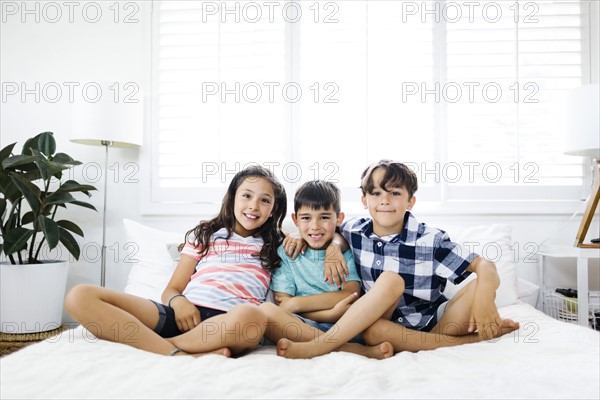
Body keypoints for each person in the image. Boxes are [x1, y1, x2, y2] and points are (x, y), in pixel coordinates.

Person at [277, 159, 520, 359]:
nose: (384, 200)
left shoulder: (430, 240)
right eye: (376, 193)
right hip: (383, 326)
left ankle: (322, 345)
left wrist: (484, 301)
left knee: (476, 284)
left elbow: (484, 265)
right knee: (380, 311)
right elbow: (324, 231)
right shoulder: (354, 231)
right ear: (364, 200)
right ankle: (467, 341)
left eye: (394, 193)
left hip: (437, 322)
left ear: (410, 201)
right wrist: (325, 245)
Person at [65, 165, 287, 357]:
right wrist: (179, 302)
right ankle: (181, 354)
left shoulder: (277, 245)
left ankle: (159, 347)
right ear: (232, 198)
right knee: (80, 296)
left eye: (264, 200)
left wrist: (301, 241)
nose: (254, 206)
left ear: (273, 209)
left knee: (255, 316)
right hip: (181, 316)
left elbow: (314, 242)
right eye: (247, 195)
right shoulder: (206, 235)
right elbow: (171, 289)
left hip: (228, 323)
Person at [258, 180, 393, 359]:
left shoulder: (343, 251)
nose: (315, 226)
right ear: (295, 220)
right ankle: (349, 349)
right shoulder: (287, 252)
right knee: (266, 311)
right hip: (302, 326)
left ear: (338, 218)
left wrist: (298, 303)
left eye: (324, 217)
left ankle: (327, 345)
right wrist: (328, 314)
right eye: (306, 218)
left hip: (344, 326)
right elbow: (283, 304)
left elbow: (350, 293)